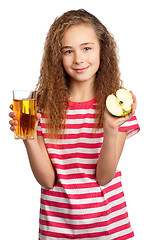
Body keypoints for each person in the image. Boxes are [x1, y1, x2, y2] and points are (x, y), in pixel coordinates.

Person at [9, 9, 140, 240]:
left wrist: (110, 129)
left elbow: (104, 177)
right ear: (56, 57)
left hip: (108, 229)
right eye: (68, 51)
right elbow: (47, 180)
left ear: (102, 50)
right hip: (55, 231)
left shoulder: (116, 106)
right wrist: (28, 138)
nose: (78, 59)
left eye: (86, 48)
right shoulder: (41, 107)